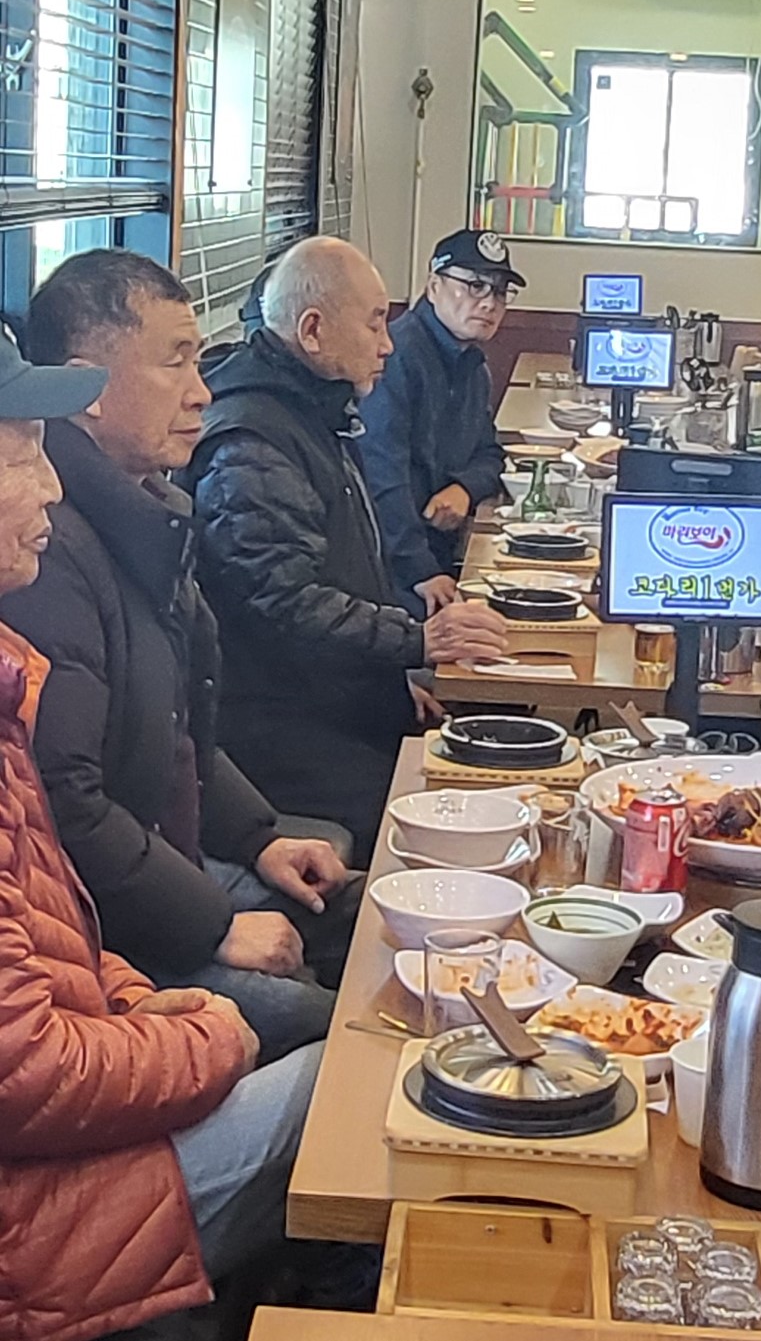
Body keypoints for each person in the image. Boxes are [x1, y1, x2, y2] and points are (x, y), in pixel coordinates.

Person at [0, 325, 322, 1341]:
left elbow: (58, 934)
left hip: (76, 1101)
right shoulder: (58, 583)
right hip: (37, 1217)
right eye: (21, 455)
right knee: (352, 1081)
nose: (51, 485)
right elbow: (23, 1075)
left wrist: (143, 1005)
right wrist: (207, 1036)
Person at [3, 253, 355, 1061]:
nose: (201, 391)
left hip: (167, 862)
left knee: (362, 910)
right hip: (115, 925)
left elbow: (180, 731)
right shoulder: (41, 556)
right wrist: (215, 924)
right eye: (175, 362)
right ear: (88, 389)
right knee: (329, 1035)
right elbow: (67, 805)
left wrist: (258, 836)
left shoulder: (150, 507)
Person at [187, 238, 509, 854]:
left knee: (475, 773)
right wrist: (416, 641)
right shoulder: (253, 443)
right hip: (271, 732)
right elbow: (287, 604)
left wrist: (390, 680)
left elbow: (346, 567)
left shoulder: (313, 409)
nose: (387, 344)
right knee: (436, 820)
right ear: (312, 330)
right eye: (374, 323)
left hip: (330, 701)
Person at [359, 230, 519, 614]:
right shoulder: (395, 358)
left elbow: (490, 455)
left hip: (440, 549)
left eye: (500, 292)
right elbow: (380, 476)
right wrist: (420, 570)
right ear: (433, 287)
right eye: (475, 286)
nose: (489, 303)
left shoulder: (472, 366)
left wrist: (464, 488)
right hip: (389, 567)